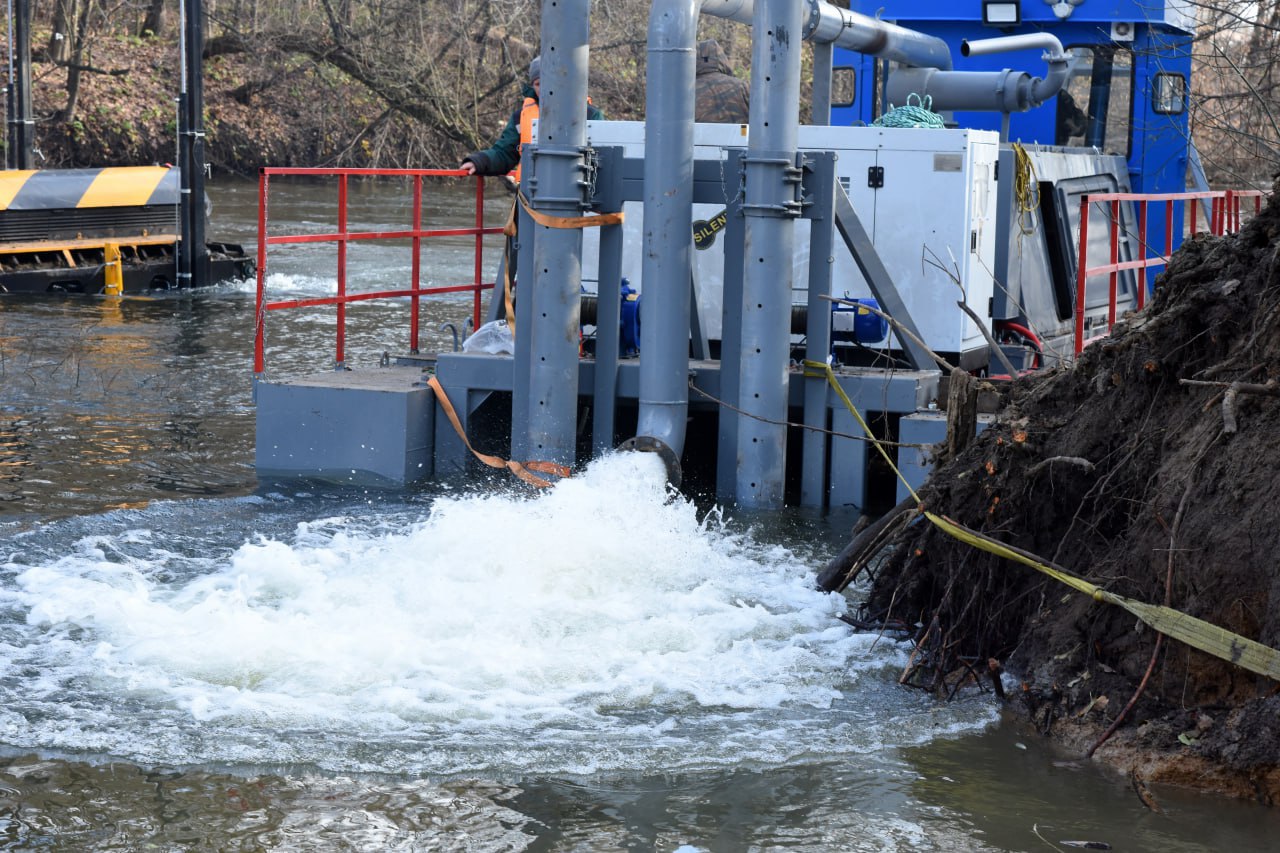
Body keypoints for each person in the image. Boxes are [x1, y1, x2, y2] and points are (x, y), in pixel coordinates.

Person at [460, 55, 604, 184]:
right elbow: (504, 153)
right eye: (538, 84)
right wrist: (478, 161)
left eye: (548, 82)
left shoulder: (591, 115)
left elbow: (602, 160)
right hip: (531, 196)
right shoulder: (520, 117)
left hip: (577, 195)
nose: (544, 89)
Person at [694, 38, 750, 124]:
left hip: (697, 137)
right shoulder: (743, 87)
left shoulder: (683, 91)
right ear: (721, 58)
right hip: (740, 136)